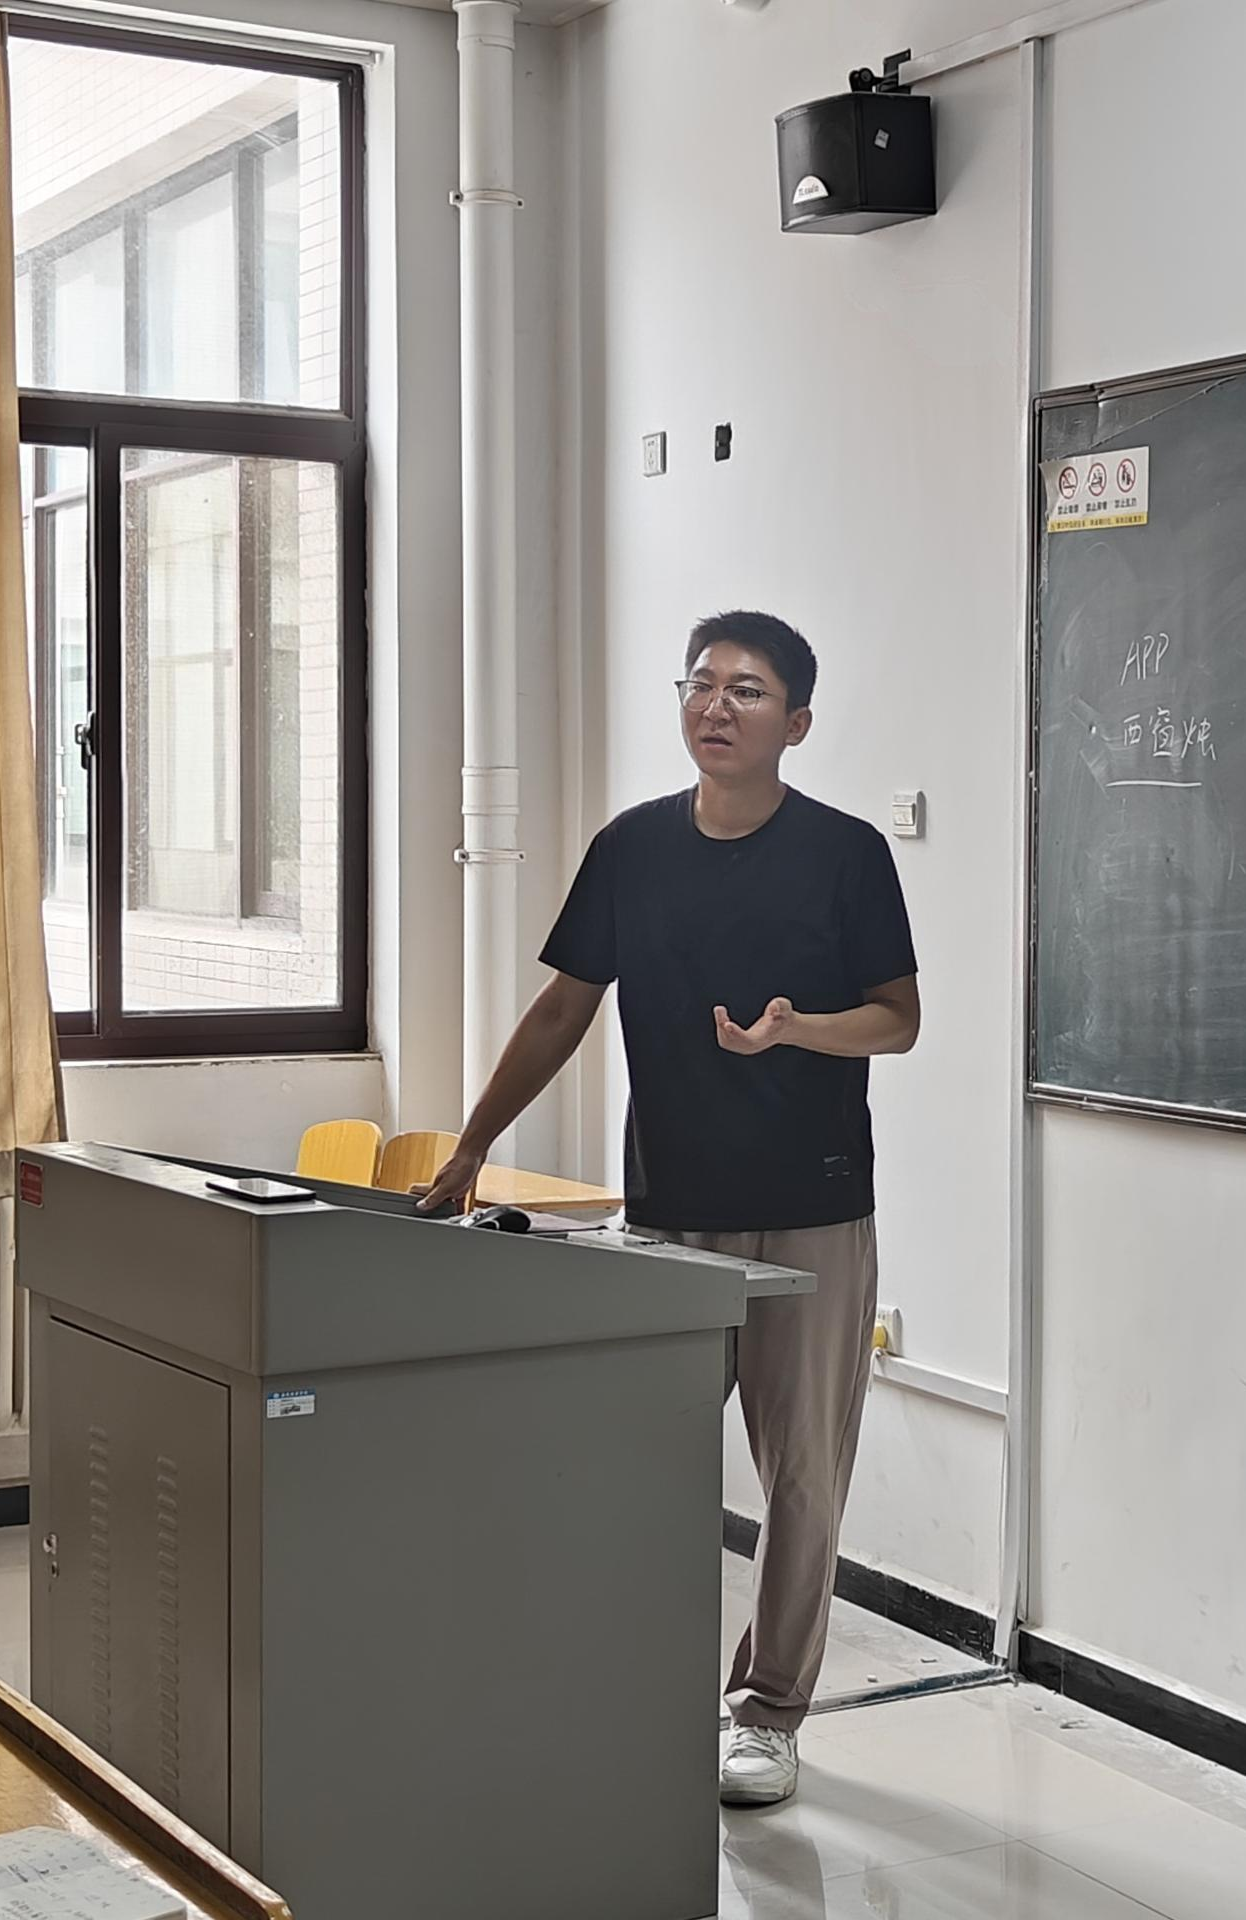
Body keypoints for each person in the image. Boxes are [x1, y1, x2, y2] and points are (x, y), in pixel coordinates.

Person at [416, 611, 921, 1809]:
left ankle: (769, 1713)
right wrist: (474, 1142)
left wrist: (797, 1029)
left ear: (797, 723)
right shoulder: (631, 849)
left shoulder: (846, 854)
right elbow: (562, 1008)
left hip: (811, 1210)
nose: (716, 705)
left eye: (748, 690)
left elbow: (898, 1019)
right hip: (669, 1208)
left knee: (800, 1477)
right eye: (701, 683)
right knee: (644, 1468)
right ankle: (636, 1688)